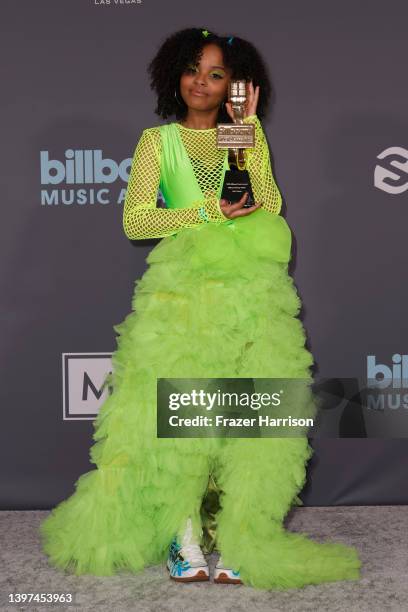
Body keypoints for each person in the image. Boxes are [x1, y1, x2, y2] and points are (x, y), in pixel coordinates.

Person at [39, 27, 362, 590]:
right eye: (193, 70)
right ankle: (182, 536)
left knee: (249, 414)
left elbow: (268, 203)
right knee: (180, 414)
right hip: (183, 294)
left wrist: (244, 133)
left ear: (233, 85)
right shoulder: (156, 143)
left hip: (251, 292)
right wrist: (207, 211)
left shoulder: (244, 133)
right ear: (174, 76)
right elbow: (137, 221)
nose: (202, 83)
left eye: (217, 74)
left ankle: (240, 534)